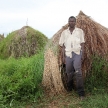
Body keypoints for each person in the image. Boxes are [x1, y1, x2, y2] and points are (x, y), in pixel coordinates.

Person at [59, 16, 85, 100]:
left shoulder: (80, 31)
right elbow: (62, 46)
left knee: (78, 72)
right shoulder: (64, 33)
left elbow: (82, 43)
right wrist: (63, 57)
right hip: (68, 54)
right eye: (70, 21)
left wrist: (82, 54)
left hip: (77, 53)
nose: (71, 22)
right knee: (69, 72)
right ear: (68, 22)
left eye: (73, 21)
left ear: (75, 22)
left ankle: (81, 93)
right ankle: (70, 88)